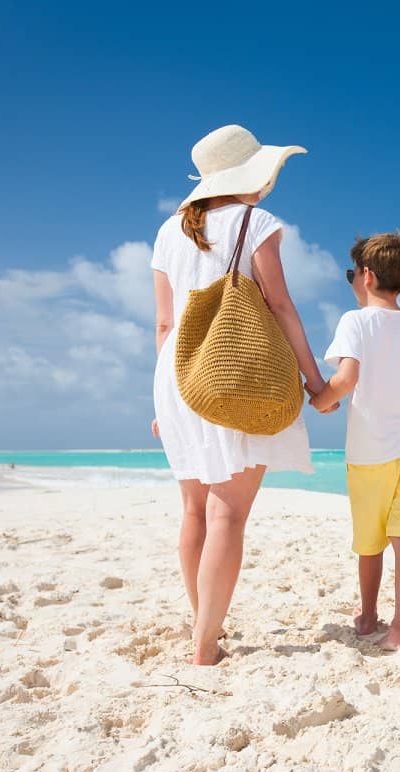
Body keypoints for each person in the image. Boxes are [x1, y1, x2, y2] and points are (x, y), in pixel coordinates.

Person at [151, 124, 329, 665]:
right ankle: (205, 647)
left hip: (178, 374)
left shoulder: (166, 232)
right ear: (252, 173)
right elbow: (279, 305)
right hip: (232, 370)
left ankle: (205, 627)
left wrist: (163, 401)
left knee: (194, 512)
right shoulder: (258, 222)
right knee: (228, 514)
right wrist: (314, 382)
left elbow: (164, 324)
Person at [309, 233, 400, 650]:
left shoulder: (354, 322)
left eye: (351, 274)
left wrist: (321, 400)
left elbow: (346, 379)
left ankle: (368, 616)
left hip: (370, 451)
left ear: (367, 276)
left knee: (370, 542)